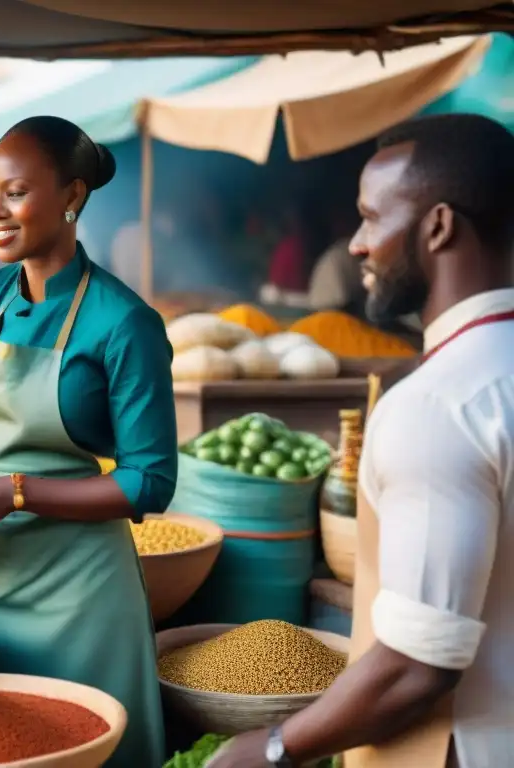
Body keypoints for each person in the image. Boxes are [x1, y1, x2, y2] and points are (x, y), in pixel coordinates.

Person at [208, 114, 514, 768]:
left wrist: (269, 748)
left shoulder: (436, 406)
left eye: (372, 218)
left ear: (437, 226)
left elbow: (416, 667)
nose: (354, 245)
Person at [0, 116, 176, 767]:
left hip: (82, 596)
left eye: (15, 193)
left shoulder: (123, 322)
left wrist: (15, 491)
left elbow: (148, 482)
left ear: (72, 196)